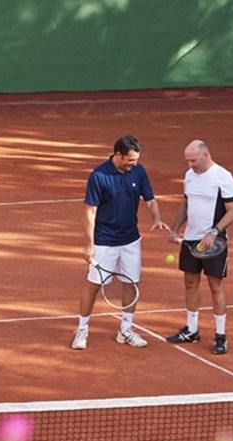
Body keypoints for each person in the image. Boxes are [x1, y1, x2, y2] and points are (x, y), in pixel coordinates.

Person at [74, 135, 168, 350]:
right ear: (118, 155)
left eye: (136, 160)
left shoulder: (139, 171)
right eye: (130, 160)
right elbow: (90, 211)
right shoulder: (99, 176)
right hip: (104, 241)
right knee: (94, 286)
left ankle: (125, 330)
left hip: (131, 240)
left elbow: (150, 199)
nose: (133, 164)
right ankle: (82, 329)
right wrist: (89, 244)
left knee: (131, 284)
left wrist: (157, 218)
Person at [166, 139, 233, 355]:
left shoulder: (223, 177)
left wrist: (213, 233)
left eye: (193, 160)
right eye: (188, 161)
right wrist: (175, 228)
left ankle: (220, 335)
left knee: (216, 286)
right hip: (190, 239)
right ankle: (192, 329)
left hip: (214, 242)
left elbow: (232, 211)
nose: (190, 165)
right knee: (190, 282)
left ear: (206, 155)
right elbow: (186, 203)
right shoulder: (189, 176)